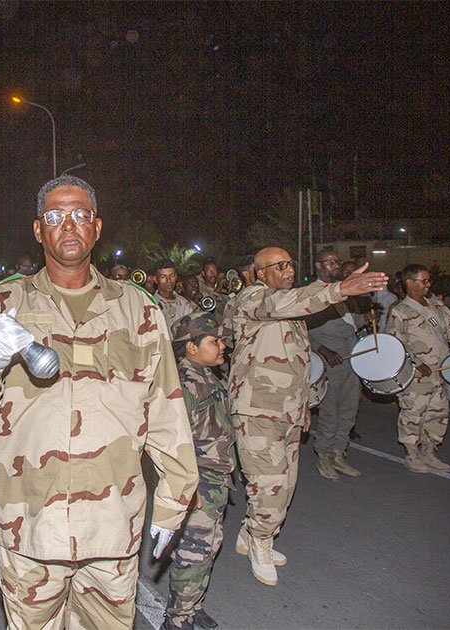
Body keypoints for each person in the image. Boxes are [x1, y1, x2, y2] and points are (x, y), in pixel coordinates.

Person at [0, 175, 198, 629]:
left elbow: (166, 410)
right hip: (30, 524)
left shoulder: (140, 309)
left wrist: (176, 499)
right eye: (56, 216)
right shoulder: (2, 304)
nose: (69, 224)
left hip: (112, 523)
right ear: (39, 231)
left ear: (97, 227)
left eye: (81, 214)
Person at [227, 246, 387, 586]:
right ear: (260, 273)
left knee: (284, 485)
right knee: (269, 486)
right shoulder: (252, 298)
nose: (288, 270)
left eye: (290, 264)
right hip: (257, 410)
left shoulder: (291, 307)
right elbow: (287, 303)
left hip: (287, 410)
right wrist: (339, 289)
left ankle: (251, 533)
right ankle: (261, 543)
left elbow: (298, 363)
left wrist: (304, 406)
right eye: (279, 266)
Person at [162, 314, 236, 630]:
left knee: (209, 547)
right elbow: (174, 442)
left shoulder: (208, 376)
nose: (222, 346)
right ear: (191, 347)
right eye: (214, 341)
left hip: (217, 478)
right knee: (192, 553)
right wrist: (188, 487)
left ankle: (192, 606)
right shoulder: (185, 385)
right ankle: (177, 620)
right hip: (199, 479)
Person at [386, 264, 450, 473]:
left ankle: (429, 451)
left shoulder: (436, 306)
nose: (428, 285)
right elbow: (394, 344)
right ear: (410, 283)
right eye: (424, 281)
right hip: (417, 375)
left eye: (429, 281)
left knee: (437, 413)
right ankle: (412, 454)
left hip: (440, 372)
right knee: (413, 413)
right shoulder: (400, 311)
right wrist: (416, 363)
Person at [303, 249, 368, 480]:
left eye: (336, 262)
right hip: (328, 361)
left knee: (349, 410)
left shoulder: (342, 292)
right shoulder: (311, 294)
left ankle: (339, 453)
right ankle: (324, 456)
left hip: (351, 359)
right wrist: (322, 350)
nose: (335, 266)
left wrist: (366, 318)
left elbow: (352, 322)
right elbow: (301, 333)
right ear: (318, 266)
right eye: (330, 262)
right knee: (330, 413)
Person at [154, 260, 195, 330]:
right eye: (163, 277)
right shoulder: (151, 304)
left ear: (176, 276)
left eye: (172, 276)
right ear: (155, 279)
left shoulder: (183, 303)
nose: (168, 280)